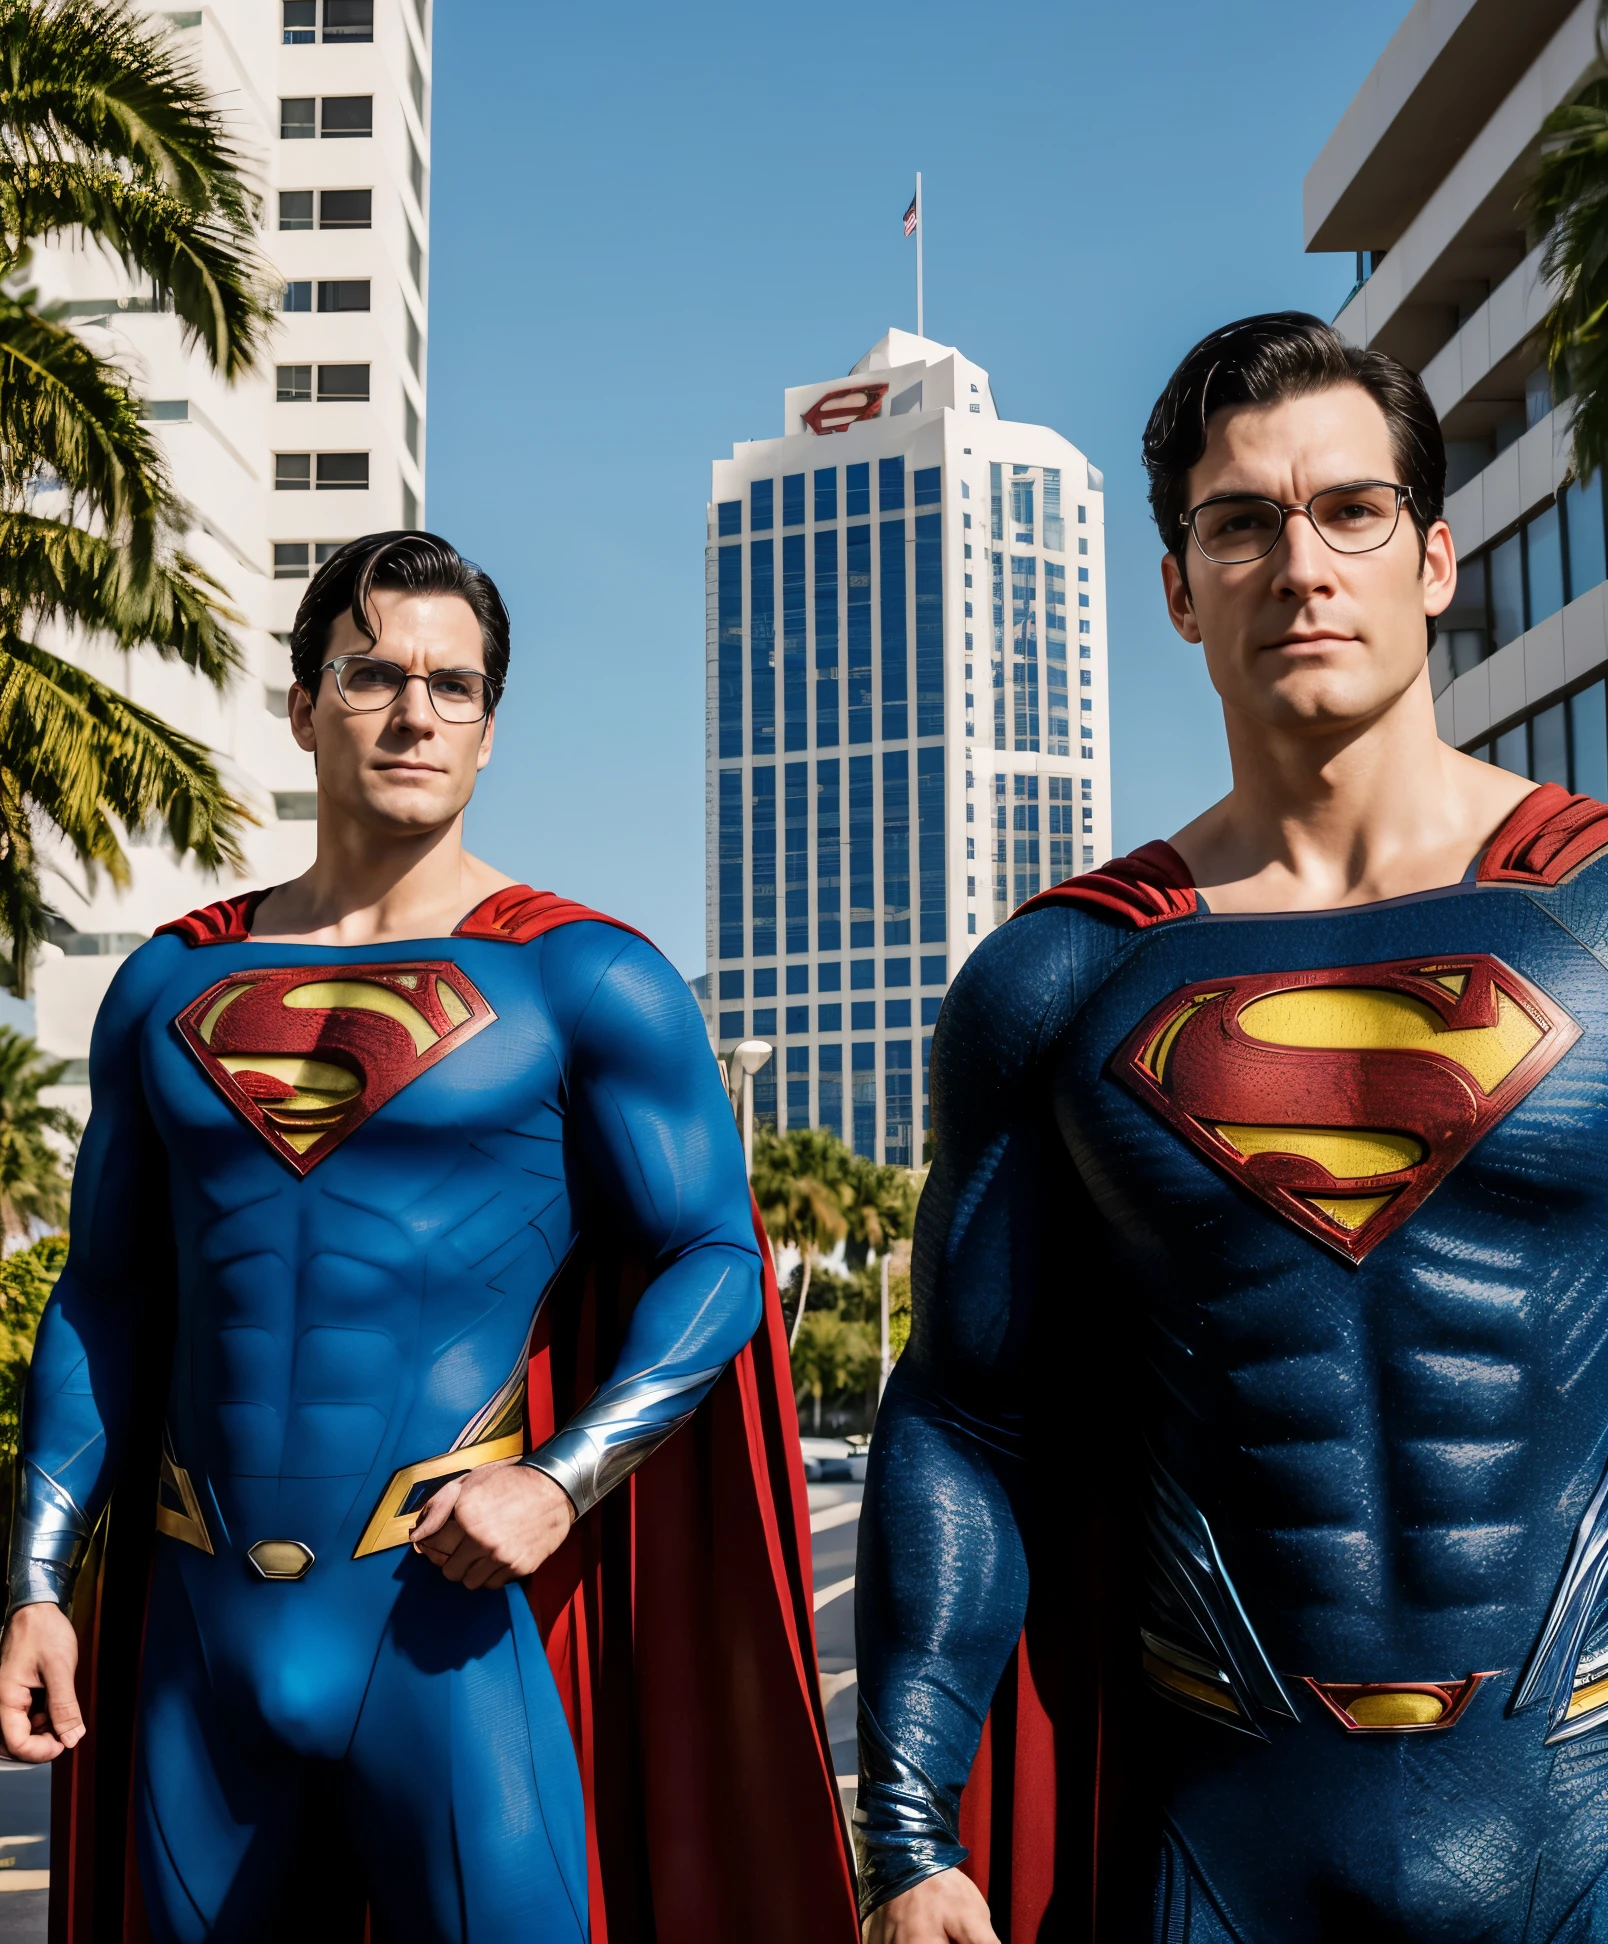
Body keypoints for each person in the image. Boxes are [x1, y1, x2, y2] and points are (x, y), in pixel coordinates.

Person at [853, 313, 1608, 1942]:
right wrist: (907, 1834)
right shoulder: (1062, 977)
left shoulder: (1605, 914)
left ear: (1435, 557)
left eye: (1350, 511)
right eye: (1242, 523)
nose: (1301, 564)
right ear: (1182, 587)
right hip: (1221, 1843)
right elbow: (968, 1419)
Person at [0, 531, 857, 1944]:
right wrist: (37, 1582)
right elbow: (103, 1294)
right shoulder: (166, 983)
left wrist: (562, 1482)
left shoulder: (581, 975)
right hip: (198, 1634)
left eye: (452, 687)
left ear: (489, 730)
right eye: (372, 674)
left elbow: (717, 1259)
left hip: (436, 1618)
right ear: (302, 704)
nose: (413, 714)